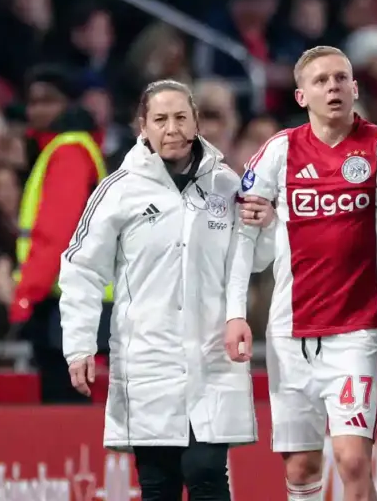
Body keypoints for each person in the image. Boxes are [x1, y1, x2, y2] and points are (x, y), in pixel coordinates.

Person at [59, 80, 272, 500]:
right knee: (159, 483)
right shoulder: (120, 190)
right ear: (143, 126)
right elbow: (81, 268)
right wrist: (79, 345)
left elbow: (254, 259)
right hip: (148, 356)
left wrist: (266, 225)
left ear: (196, 122)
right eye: (160, 119)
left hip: (213, 352)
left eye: (180, 117)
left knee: (206, 470)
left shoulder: (226, 185)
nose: (171, 128)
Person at [223, 45, 377, 501]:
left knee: (351, 459)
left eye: (341, 78)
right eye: (321, 81)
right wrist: (235, 313)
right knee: (302, 467)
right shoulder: (278, 152)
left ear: (356, 87)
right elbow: (243, 234)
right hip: (290, 331)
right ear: (302, 95)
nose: (333, 87)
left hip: (356, 331)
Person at [8, 65, 112, 404]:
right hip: (82, 299)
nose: (37, 110)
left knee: (65, 403)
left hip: (65, 304)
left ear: (69, 105)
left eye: (48, 101)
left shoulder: (67, 151)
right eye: (33, 102)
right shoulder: (76, 148)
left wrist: (27, 293)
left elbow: (55, 232)